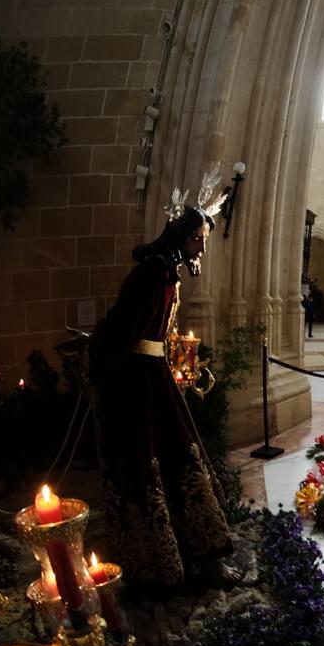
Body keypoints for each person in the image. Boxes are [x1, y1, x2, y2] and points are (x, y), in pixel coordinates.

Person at [89, 204, 234, 586]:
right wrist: (100, 356)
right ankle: (155, 558)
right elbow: (125, 327)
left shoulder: (165, 270)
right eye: (199, 241)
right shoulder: (154, 272)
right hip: (138, 380)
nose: (201, 250)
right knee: (153, 455)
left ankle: (189, 549)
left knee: (172, 454)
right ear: (184, 238)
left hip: (152, 374)